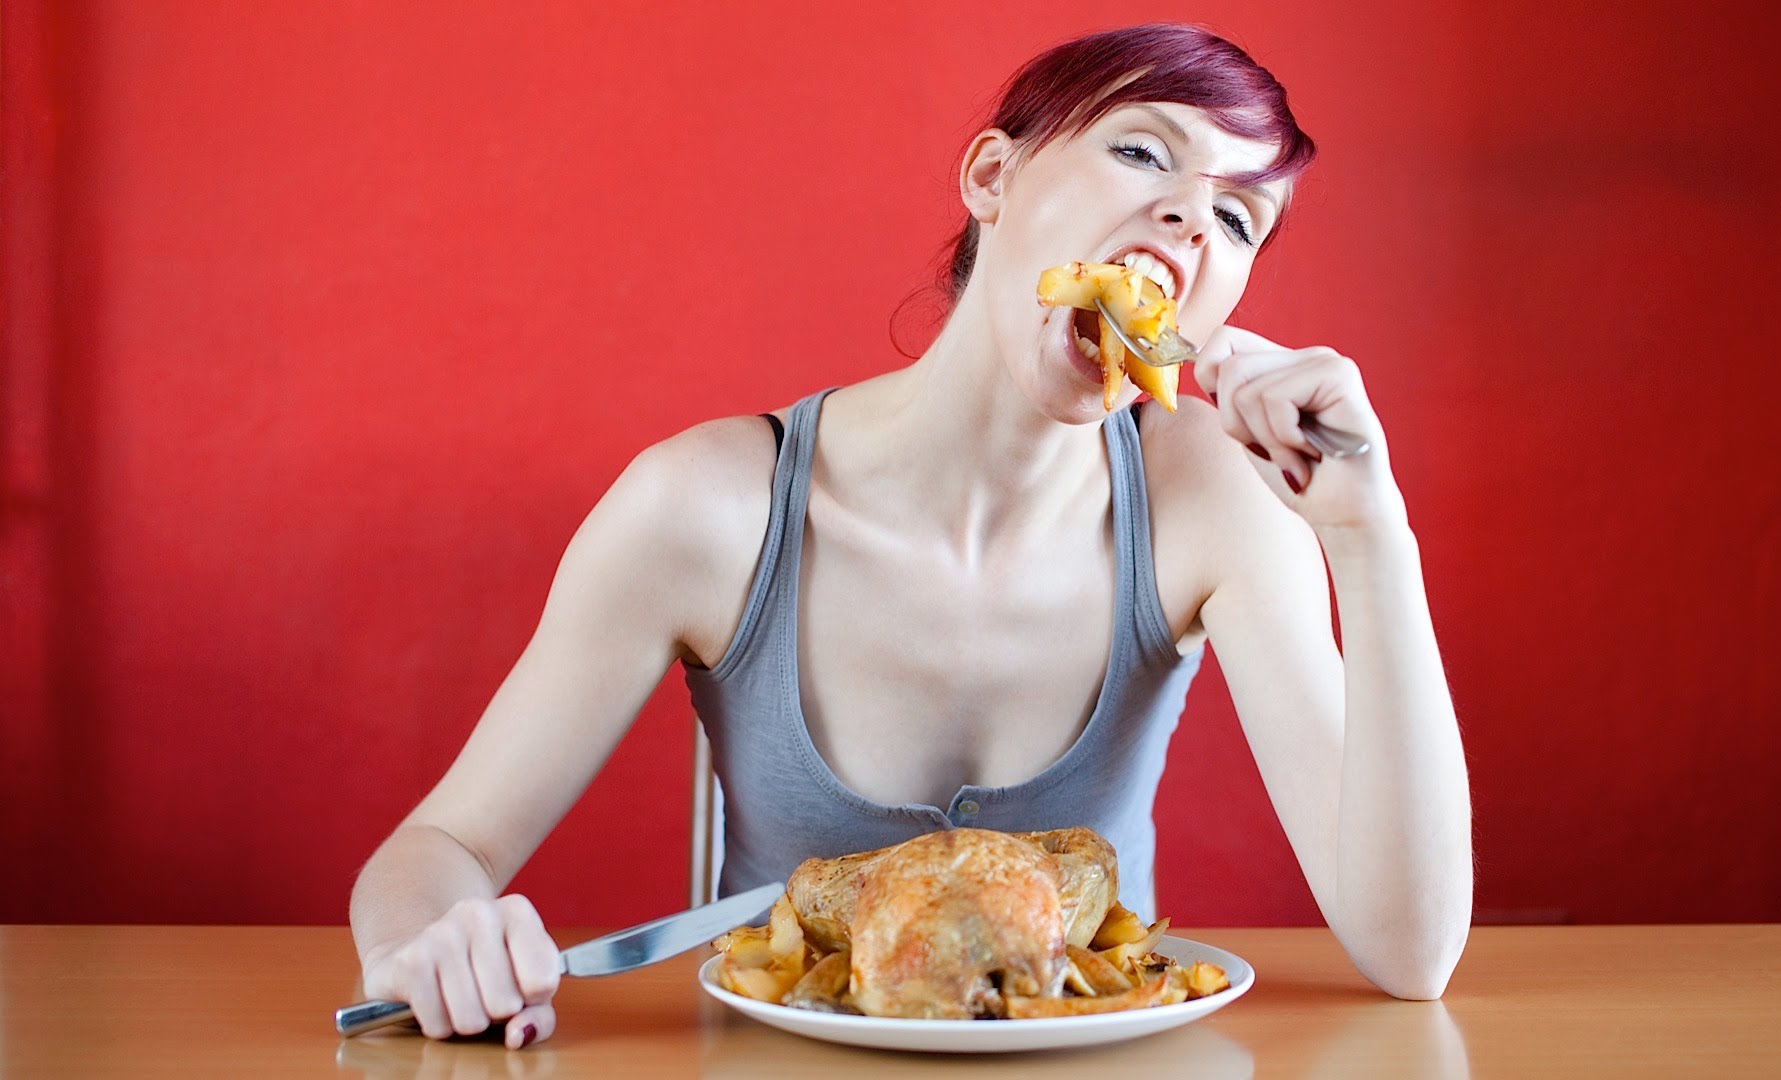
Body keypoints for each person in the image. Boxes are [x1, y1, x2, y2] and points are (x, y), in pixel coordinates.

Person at [348, 22, 1473, 1049]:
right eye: (1142, 151)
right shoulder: (706, 508)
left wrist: (1370, 538)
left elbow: (1411, 953)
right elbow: (441, 849)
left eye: (1236, 218)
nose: (1190, 218)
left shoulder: (1213, 501)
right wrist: (435, 946)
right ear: (992, 177)